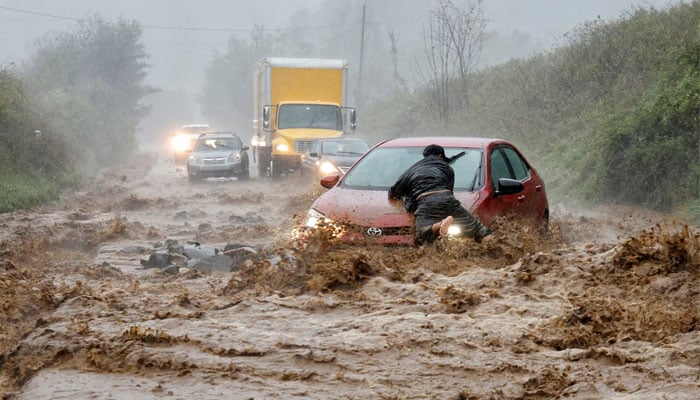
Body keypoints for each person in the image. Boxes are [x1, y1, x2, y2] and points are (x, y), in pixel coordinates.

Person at [388, 144, 493, 245]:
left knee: (420, 235)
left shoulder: (412, 170)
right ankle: (495, 250)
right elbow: (449, 193)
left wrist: (406, 205)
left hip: (426, 201)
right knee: (479, 229)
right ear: (440, 156)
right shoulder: (447, 168)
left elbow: (393, 192)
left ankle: (439, 225)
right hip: (447, 198)